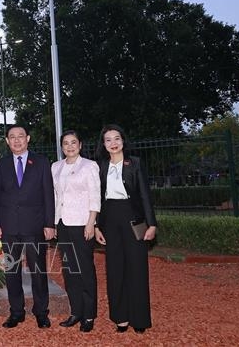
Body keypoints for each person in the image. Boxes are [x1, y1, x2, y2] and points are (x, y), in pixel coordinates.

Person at [0, 124, 55, 329]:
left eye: (20, 136)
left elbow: (48, 195)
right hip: (9, 226)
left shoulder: (41, 162)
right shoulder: (2, 164)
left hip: (35, 226)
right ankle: (16, 312)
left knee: (38, 271)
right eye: (12, 137)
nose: (17, 140)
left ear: (28, 138)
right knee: (12, 271)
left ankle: (41, 312)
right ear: (7, 141)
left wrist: (49, 224)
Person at [93, 124, 157, 334]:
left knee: (137, 268)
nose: (113, 143)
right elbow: (96, 198)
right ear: (103, 144)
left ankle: (139, 318)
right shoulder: (100, 166)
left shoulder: (135, 163)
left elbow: (145, 195)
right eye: (108, 139)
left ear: (123, 141)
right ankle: (120, 317)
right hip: (109, 219)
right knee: (115, 269)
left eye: (116, 138)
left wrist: (152, 224)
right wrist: (96, 226)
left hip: (134, 219)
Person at [51, 130, 101, 333]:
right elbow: (56, 197)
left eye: (73, 142)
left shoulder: (89, 166)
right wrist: (55, 223)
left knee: (85, 269)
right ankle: (76, 311)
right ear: (62, 147)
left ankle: (89, 315)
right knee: (69, 270)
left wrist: (91, 223)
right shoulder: (56, 167)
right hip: (63, 224)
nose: (70, 146)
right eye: (66, 143)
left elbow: (95, 196)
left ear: (80, 145)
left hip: (82, 224)